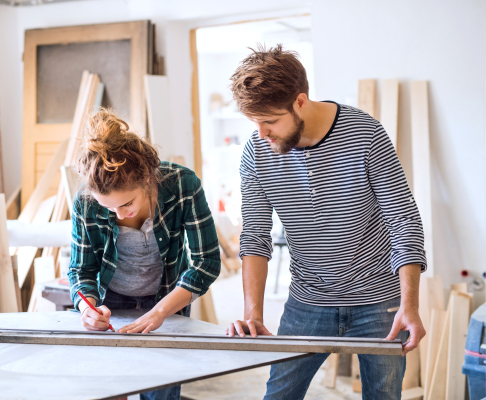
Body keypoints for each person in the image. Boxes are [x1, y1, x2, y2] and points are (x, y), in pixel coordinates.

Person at [226, 45, 427, 400]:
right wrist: (252, 312)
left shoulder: (366, 134)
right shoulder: (256, 153)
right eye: (254, 122)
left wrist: (410, 304)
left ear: (300, 102)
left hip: (379, 301)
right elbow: (255, 235)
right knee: (279, 395)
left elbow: (403, 220)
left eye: (270, 121)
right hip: (307, 300)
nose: (261, 133)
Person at [68, 108, 220, 400]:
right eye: (109, 208)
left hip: (167, 299)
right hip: (111, 303)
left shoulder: (183, 184)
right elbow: (81, 270)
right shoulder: (85, 203)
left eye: (126, 204)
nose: (118, 214)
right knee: (111, 389)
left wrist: (162, 310)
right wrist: (87, 308)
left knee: (161, 392)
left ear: (147, 179)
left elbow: (207, 261)